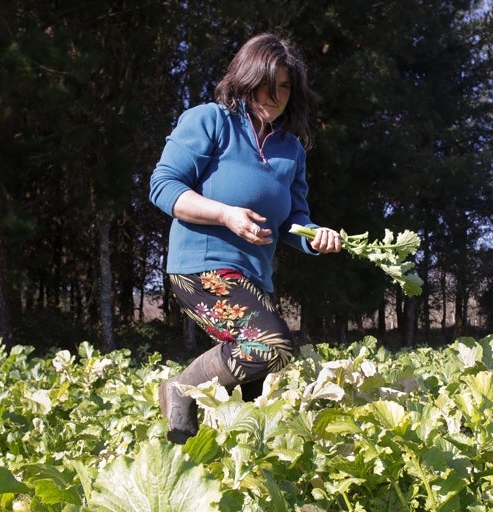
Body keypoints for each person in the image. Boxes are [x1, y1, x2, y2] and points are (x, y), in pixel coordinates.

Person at [149, 33, 342, 444]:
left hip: (254, 280)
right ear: (246, 78)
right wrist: (225, 214)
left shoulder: (291, 150)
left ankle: (201, 457)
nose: (275, 95)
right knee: (271, 345)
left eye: (285, 86)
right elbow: (163, 186)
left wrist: (315, 236)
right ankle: (181, 390)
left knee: (256, 395)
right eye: (266, 84)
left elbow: (293, 219)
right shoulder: (210, 121)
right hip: (201, 269)